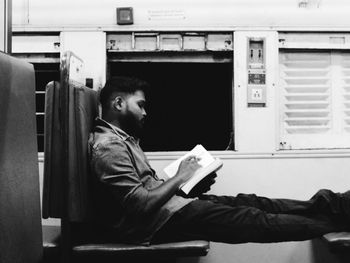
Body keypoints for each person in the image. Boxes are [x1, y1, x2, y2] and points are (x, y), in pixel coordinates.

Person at [89, 76, 350, 245]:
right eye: (141, 105)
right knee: (254, 219)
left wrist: (190, 185)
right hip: (158, 223)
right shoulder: (109, 147)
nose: (145, 113)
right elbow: (139, 205)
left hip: (172, 208)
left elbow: (147, 192)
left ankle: (335, 204)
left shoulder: (124, 140)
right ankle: (338, 221)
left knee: (253, 202)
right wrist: (182, 175)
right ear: (119, 103)